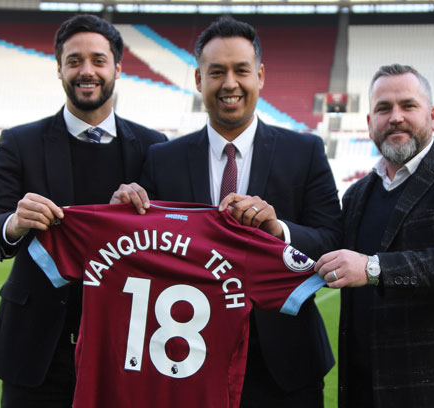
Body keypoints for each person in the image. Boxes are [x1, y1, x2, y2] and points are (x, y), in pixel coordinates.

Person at [112, 16, 341, 408]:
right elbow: (143, 251)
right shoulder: (163, 159)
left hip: (284, 363)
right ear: (199, 80)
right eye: (216, 72)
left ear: (261, 75)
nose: (230, 83)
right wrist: (122, 217)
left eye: (241, 70)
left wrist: (279, 231)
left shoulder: (305, 152)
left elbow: (333, 240)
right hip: (185, 356)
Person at [0, 14, 166, 408]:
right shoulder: (20, 143)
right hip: (38, 349)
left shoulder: (153, 147)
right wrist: (15, 224)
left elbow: (174, 239)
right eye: (74, 61)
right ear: (59, 68)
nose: (86, 71)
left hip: (126, 346)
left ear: (118, 68)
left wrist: (146, 211)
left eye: (98, 60)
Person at [314, 64, 434, 407]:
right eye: (383, 108)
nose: (395, 117)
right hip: (364, 389)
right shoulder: (357, 194)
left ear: (433, 116)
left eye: (408, 106)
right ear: (369, 122)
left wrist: (374, 269)